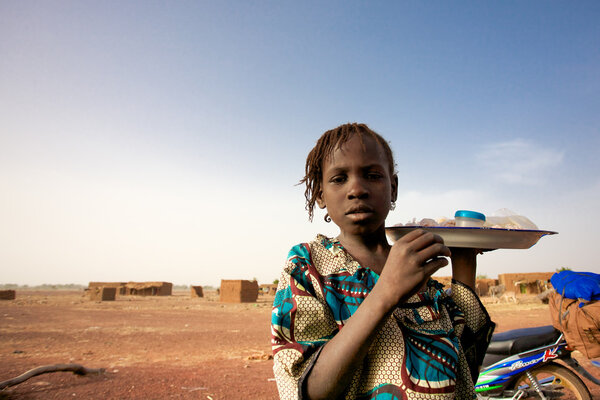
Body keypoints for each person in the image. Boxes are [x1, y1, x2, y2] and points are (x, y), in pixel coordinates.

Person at [271, 123, 495, 400]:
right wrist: (386, 292)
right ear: (320, 194)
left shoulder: (414, 263)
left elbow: (463, 365)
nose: (357, 189)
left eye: (373, 175)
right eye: (339, 178)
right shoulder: (309, 267)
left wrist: (465, 255)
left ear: (393, 188)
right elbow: (308, 391)